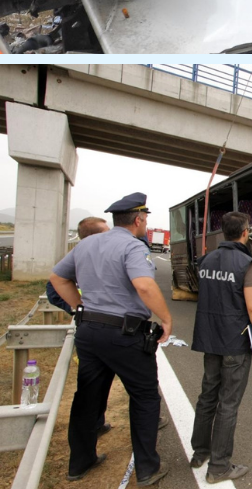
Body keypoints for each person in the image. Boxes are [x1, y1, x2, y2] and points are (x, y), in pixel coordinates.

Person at [48, 193, 171, 485]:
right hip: (125, 334)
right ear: (139, 219)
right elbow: (143, 285)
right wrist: (166, 318)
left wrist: (80, 306)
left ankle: (80, 463)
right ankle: (146, 468)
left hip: (89, 332)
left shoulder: (87, 243)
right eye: (146, 218)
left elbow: (57, 278)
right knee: (144, 397)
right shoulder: (132, 246)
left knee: (87, 397)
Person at [189, 211, 252, 484]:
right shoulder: (247, 264)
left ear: (223, 232)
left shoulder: (206, 260)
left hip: (209, 339)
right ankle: (220, 466)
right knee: (228, 403)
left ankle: (200, 452)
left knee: (207, 395)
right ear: (245, 232)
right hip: (235, 342)